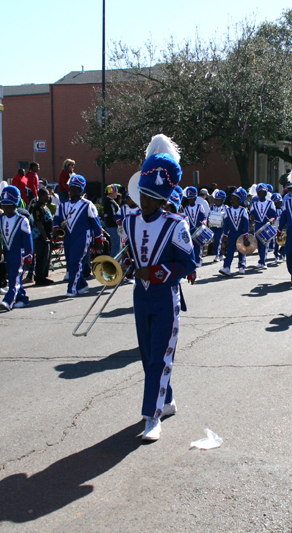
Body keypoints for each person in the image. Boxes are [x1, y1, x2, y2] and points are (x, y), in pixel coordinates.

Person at [122, 134, 197, 441]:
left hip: (166, 296)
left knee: (159, 357)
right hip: (141, 296)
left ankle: (152, 418)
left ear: (163, 199)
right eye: (143, 195)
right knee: (147, 354)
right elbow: (129, 257)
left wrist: (154, 272)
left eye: (151, 198)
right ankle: (165, 401)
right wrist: (126, 269)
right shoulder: (128, 222)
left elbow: (189, 263)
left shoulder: (176, 225)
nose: (145, 202)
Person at [61, 174, 103, 296]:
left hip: (83, 237)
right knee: (71, 262)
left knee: (75, 262)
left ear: (81, 190)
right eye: (72, 188)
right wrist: (56, 227)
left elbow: (96, 224)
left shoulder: (88, 205)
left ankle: (72, 289)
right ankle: (82, 284)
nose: (73, 190)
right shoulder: (63, 204)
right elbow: (57, 219)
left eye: (77, 188)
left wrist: (99, 240)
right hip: (68, 237)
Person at [0, 186, 33, 310]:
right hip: (7, 252)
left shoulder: (23, 220)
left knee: (14, 277)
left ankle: (8, 300)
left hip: (19, 253)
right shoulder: (0, 218)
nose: (6, 209)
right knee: (13, 276)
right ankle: (23, 298)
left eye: (9, 206)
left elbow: (28, 240)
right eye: (4, 206)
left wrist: (28, 255)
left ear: (15, 206)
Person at [218, 188, 250, 277]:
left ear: (239, 200)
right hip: (231, 234)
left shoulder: (243, 210)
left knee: (241, 250)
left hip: (241, 233)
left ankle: (242, 266)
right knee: (230, 250)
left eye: (235, 198)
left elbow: (246, 224)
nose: (232, 199)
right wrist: (224, 235)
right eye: (232, 197)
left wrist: (246, 236)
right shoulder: (228, 210)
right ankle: (227, 267)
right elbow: (226, 224)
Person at [249, 184, 277, 269]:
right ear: (258, 194)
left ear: (266, 194)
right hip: (258, 225)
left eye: (263, 193)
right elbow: (251, 214)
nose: (262, 194)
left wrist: (271, 220)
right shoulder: (254, 204)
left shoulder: (270, 203)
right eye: (260, 193)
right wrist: (252, 218)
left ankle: (264, 262)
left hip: (266, 224)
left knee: (265, 243)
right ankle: (261, 260)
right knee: (258, 243)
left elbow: (273, 215)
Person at [31, 188, 54, 286]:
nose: (49, 196)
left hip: (47, 236)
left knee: (46, 258)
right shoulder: (37, 207)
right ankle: (39, 278)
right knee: (41, 258)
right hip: (40, 237)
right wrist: (44, 236)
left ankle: (44, 276)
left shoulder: (45, 206)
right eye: (47, 195)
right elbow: (39, 222)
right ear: (42, 196)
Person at [183, 186, 207, 266]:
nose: (190, 200)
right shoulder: (186, 209)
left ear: (195, 198)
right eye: (189, 199)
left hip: (198, 228)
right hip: (190, 230)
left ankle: (198, 260)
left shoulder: (199, 206)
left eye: (192, 199)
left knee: (198, 245)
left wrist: (204, 222)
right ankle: (193, 260)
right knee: (191, 246)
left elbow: (204, 217)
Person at [208, 190, 228, 261]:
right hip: (213, 226)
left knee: (218, 239)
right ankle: (221, 254)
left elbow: (227, 217)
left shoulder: (225, 208)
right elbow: (209, 215)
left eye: (219, 200)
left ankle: (217, 255)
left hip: (221, 227)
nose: (217, 201)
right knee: (215, 240)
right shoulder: (212, 207)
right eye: (216, 200)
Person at [102, 184, 121, 257]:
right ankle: (113, 262)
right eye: (115, 191)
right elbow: (113, 215)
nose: (117, 193)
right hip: (113, 226)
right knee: (116, 246)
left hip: (111, 226)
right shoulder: (110, 202)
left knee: (116, 246)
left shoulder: (108, 201)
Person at [271, 193, 283, 263]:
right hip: (275, 229)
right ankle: (276, 255)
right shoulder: (273, 210)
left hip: (281, 228)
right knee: (276, 242)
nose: (279, 204)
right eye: (277, 202)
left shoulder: (282, 209)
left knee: (284, 242)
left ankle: (283, 253)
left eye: (280, 202)